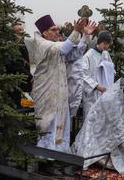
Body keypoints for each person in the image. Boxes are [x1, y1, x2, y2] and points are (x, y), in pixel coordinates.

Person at [32, 14, 96, 153]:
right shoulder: (42, 44)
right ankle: (43, 159)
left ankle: (58, 157)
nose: (57, 32)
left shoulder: (53, 45)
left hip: (59, 94)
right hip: (47, 94)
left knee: (60, 127)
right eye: (54, 30)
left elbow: (75, 54)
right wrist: (76, 31)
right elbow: (64, 49)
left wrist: (85, 36)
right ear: (45, 33)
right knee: (48, 127)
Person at [71, 78, 124, 174]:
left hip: (109, 127)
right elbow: (118, 130)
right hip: (98, 129)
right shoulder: (112, 102)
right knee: (113, 162)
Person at [82, 30, 114, 118]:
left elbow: (111, 70)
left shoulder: (106, 54)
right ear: (99, 41)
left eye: (108, 44)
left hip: (104, 93)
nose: (106, 46)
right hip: (92, 95)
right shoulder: (88, 55)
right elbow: (83, 75)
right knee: (90, 120)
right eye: (105, 43)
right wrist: (96, 85)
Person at [5, 24, 33, 108]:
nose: (22, 32)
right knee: (18, 108)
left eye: (23, 29)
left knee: (26, 106)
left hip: (24, 84)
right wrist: (30, 76)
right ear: (13, 33)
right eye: (19, 30)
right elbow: (16, 65)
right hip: (15, 85)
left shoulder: (22, 44)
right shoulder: (11, 46)